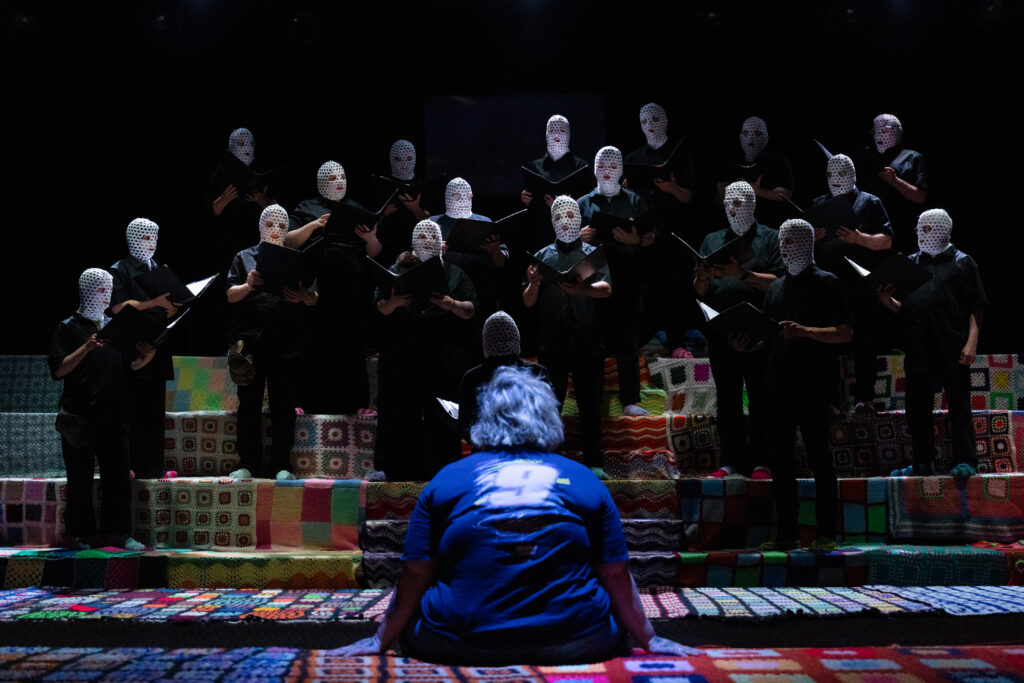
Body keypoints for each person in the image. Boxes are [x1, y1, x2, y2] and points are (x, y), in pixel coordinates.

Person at [330, 365, 703, 664]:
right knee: (611, 617)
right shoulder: (584, 480)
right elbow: (614, 572)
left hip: (458, 644)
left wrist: (381, 639)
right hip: (575, 642)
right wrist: (649, 639)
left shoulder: (446, 480)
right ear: (549, 418)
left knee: (417, 616)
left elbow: (416, 572)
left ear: (483, 419)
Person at [759, 219, 852, 553]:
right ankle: (787, 533)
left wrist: (805, 331)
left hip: (813, 384)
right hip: (778, 384)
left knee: (819, 457)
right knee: (781, 461)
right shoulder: (775, 288)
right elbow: (767, 335)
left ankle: (826, 532)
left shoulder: (827, 282)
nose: (785, 248)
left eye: (791, 241)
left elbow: (845, 332)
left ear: (807, 242)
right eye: (782, 241)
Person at [49, 268, 154, 550]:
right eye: (99, 289)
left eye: (109, 290)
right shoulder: (68, 327)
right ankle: (81, 535)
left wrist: (145, 359)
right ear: (85, 290)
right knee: (79, 480)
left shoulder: (115, 327)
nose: (106, 295)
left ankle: (117, 534)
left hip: (114, 414)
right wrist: (86, 347)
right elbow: (58, 370)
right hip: (79, 417)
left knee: (117, 478)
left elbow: (127, 367)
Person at [877, 209, 986, 478]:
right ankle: (923, 461)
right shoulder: (910, 263)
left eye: (927, 228)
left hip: (951, 343)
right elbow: (905, 307)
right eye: (920, 228)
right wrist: (887, 302)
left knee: (959, 404)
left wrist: (972, 342)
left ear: (942, 229)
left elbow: (976, 306)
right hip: (918, 345)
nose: (921, 233)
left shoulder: (963, 262)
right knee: (917, 407)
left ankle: (965, 460)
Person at [374, 219, 478, 481]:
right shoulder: (397, 269)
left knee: (442, 414)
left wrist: (451, 304)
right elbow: (379, 306)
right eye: (421, 237)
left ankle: (444, 469)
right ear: (413, 242)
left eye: (431, 237)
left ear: (440, 243)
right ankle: (399, 471)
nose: (426, 242)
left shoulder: (454, 272)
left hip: (443, 354)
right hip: (403, 352)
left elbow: (471, 310)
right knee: (402, 412)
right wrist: (393, 302)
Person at [694, 181, 784, 480]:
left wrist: (742, 274)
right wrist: (702, 277)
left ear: (752, 204)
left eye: (738, 203)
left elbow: (780, 283)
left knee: (761, 399)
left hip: (760, 332)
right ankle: (731, 461)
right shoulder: (712, 239)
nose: (732, 209)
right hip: (723, 333)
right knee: (727, 399)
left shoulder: (770, 237)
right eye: (728, 204)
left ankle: (763, 462)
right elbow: (700, 290)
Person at [225, 204, 318, 480]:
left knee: (283, 404)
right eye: (270, 224)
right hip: (251, 340)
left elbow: (314, 297)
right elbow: (229, 294)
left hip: (285, 340)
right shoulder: (244, 256)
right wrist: (247, 286)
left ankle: (281, 465)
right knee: (249, 404)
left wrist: (302, 297)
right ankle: (248, 463)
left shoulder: (297, 258)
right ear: (260, 226)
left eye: (280, 225)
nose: (275, 229)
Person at [524, 195, 611, 478]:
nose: (565, 221)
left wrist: (582, 290)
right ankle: (546, 460)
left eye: (571, 216)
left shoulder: (591, 253)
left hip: (587, 340)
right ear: (553, 221)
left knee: (590, 405)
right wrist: (533, 284)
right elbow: (527, 302)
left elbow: (606, 289)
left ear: (579, 219)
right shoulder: (542, 255)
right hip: (552, 342)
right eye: (560, 216)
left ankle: (594, 462)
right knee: (550, 405)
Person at [285, 161, 381, 415]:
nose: (338, 182)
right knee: (315, 345)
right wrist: (314, 225)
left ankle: (353, 406)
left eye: (342, 177)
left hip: (351, 288)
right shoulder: (307, 207)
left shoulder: (357, 208)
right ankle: (312, 405)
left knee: (350, 346)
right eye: (332, 178)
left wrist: (370, 238)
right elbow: (288, 242)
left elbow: (375, 252)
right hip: (317, 286)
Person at [810, 153, 893, 413]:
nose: (836, 179)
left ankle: (864, 399)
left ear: (853, 174)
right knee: (828, 344)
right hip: (828, 285)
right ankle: (832, 400)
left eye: (842, 174)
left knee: (865, 343)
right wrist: (813, 239)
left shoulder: (870, 202)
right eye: (830, 174)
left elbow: (887, 240)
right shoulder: (819, 203)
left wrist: (859, 238)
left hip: (861, 285)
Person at [578, 145, 651, 417]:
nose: (607, 171)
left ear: (620, 169)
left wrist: (635, 239)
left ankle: (630, 399)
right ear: (595, 169)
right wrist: (580, 237)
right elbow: (568, 242)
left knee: (627, 342)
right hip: (594, 280)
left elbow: (650, 237)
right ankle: (593, 400)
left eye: (612, 165)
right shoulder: (583, 203)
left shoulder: (635, 200)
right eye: (602, 165)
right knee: (593, 343)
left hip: (627, 280)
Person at [623, 102, 699, 352]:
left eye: (654, 119)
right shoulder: (634, 158)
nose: (650, 125)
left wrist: (671, 188)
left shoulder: (679, 153)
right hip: (644, 235)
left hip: (672, 235)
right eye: (644, 122)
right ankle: (643, 345)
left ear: (665, 120)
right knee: (644, 291)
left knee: (674, 290)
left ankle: (677, 345)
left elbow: (688, 197)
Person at [108, 218, 179, 478]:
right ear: (134, 238)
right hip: (133, 347)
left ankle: (154, 467)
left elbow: (168, 308)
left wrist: (172, 308)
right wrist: (154, 303)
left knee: (154, 412)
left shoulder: (158, 269)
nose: (152, 243)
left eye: (155, 238)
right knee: (133, 411)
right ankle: (133, 467)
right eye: (147, 237)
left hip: (157, 345)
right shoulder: (120, 269)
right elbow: (117, 308)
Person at [456, 310, 547, 447]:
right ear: (516, 339)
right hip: (530, 451)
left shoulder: (472, 378)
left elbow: (465, 427)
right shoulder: (537, 372)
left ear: (486, 342)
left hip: (486, 452)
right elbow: (548, 423)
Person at [430, 177, 506, 317]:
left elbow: (500, 264)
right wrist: (434, 251)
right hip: (448, 290)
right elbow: (418, 258)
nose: (462, 200)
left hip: (481, 289)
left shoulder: (485, 222)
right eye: (457, 196)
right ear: (448, 197)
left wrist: (495, 250)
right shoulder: (433, 223)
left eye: (467, 196)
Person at [856, 113, 928, 255]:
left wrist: (895, 181)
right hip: (872, 232)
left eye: (885, 130)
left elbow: (921, 197)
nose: (879, 135)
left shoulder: (911, 157)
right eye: (876, 131)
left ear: (896, 131)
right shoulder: (867, 156)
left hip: (901, 229)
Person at [520, 115, 589, 251]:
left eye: (562, 130)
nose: (556, 135)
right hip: (541, 233)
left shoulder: (581, 166)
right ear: (546, 135)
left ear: (568, 134)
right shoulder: (534, 167)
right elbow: (531, 204)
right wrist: (526, 200)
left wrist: (560, 207)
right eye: (552, 130)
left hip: (572, 236)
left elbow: (586, 202)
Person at [714, 116, 795, 230]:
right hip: (739, 229)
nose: (751, 138)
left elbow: (786, 195)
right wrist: (721, 195)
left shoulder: (777, 160)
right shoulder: (731, 164)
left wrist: (759, 191)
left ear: (766, 137)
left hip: (769, 227)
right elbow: (721, 204)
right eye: (746, 133)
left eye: (757, 133)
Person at [377, 139, 433, 266]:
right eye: (399, 159)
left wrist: (416, 209)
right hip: (387, 246)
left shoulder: (422, 185)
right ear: (392, 159)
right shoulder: (381, 185)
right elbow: (370, 225)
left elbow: (429, 224)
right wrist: (383, 213)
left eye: (408, 159)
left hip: (415, 246)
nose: (404, 164)